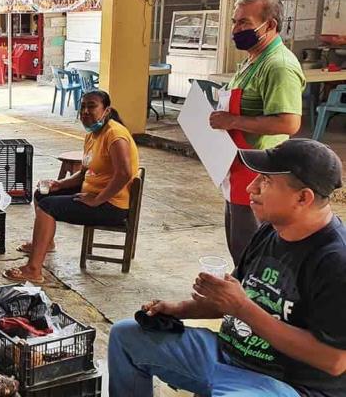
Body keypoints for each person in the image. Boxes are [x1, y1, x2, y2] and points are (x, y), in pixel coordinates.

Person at [108, 139, 346, 397]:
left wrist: (243, 308)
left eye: (265, 181)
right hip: (227, 355)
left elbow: (334, 360)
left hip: (282, 383)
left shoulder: (335, 260)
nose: (250, 187)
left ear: (303, 197)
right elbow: (235, 300)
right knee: (126, 336)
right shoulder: (269, 232)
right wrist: (179, 308)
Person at [209, 0, 304, 267]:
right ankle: (241, 298)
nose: (236, 29)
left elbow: (288, 123)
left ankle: (253, 303)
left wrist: (233, 121)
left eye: (244, 23)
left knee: (252, 248)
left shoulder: (278, 66)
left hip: (258, 171)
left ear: (270, 25)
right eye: (235, 22)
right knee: (238, 242)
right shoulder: (252, 60)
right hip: (237, 165)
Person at [5, 90, 139, 283]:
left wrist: (97, 200)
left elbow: (124, 174)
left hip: (112, 205)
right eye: (82, 106)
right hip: (93, 193)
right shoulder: (93, 134)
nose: (85, 111)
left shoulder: (115, 135)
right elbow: (84, 173)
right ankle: (47, 242)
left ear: (106, 110)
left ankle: (33, 270)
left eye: (91, 106)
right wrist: (59, 184)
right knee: (42, 195)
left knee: (47, 207)